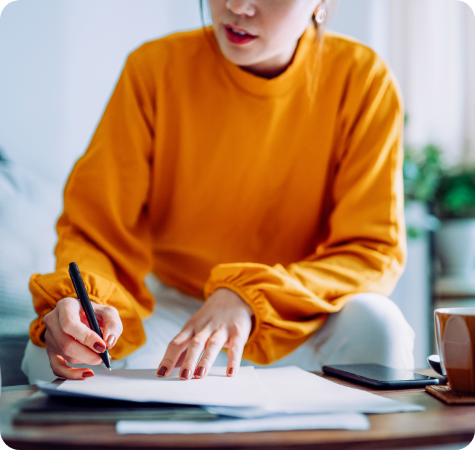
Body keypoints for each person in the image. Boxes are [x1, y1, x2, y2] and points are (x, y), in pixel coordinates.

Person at [22, 0, 415, 384]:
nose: (238, 6)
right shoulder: (154, 69)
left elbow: (370, 249)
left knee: (381, 328)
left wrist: (248, 296)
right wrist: (88, 307)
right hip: (174, 311)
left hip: (297, 312)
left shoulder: (363, 79)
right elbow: (94, 228)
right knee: (52, 355)